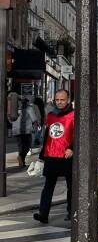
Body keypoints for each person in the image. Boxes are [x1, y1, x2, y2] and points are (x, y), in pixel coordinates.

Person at [34, 89, 75, 223]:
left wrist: (72, 148)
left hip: (66, 156)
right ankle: (43, 214)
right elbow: (47, 136)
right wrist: (42, 156)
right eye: (57, 100)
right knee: (48, 186)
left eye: (62, 100)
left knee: (71, 186)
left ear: (68, 100)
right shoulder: (51, 115)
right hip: (51, 154)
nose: (59, 102)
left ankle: (71, 212)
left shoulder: (74, 115)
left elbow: (78, 134)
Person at [11, 98, 38, 168]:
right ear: (27, 102)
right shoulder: (29, 108)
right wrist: (36, 127)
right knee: (27, 146)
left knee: (20, 146)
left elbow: (11, 119)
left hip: (17, 130)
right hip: (26, 130)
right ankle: (21, 157)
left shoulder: (14, 109)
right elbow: (34, 119)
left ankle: (22, 161)